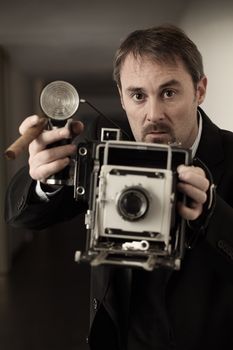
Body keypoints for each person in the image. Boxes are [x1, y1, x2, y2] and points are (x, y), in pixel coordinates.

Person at [5, 25, 233, 350]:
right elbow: (21, 216)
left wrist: (212, 213)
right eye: (138, 95)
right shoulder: (105, 141)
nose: (153, 115)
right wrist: (45, 180)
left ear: (199, 90)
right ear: (121, 96)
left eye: (169, 93)